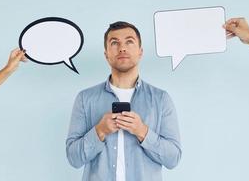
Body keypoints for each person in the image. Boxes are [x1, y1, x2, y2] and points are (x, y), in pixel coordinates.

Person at [66, 22, 182, 181]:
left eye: (129, 41)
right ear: (106, 54)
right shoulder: (85, 99)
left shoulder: (161, 99)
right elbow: (73, 158)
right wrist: (100, 131)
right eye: (114, 43)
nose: (122, 48)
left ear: (140, 52)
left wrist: (142, 131)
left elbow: (173, 158)